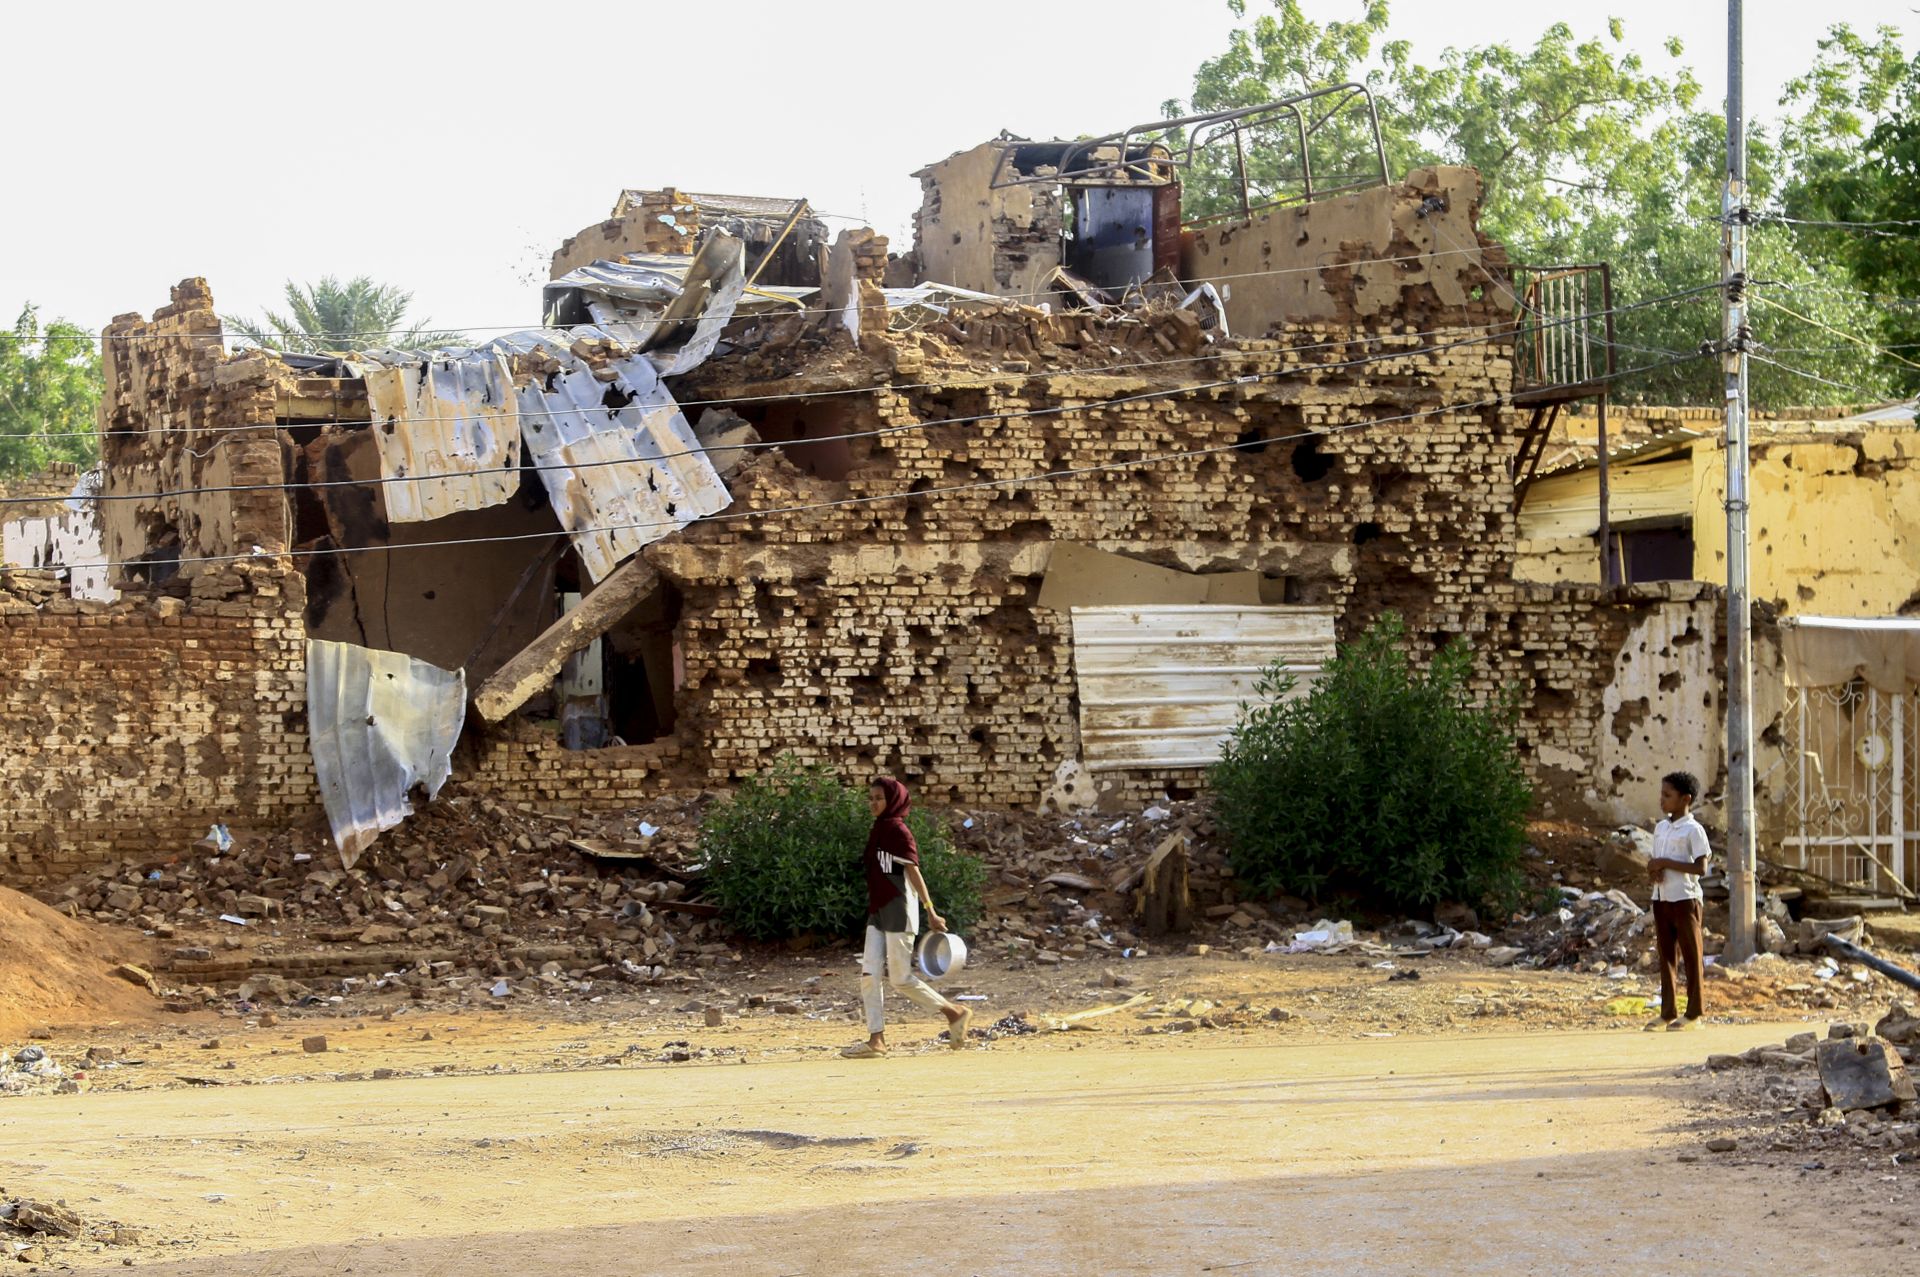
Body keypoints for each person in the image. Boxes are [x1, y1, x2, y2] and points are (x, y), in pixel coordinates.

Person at [841, 777, 971, 1059]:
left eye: (879, 798)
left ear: (892, 800)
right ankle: (876, 1040)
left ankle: (955, 1012)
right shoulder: (878, 830)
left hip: (899, 910)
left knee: (900, 979)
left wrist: (931, 910)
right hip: (878, 912)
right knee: (869, 975)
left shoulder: (899, 832)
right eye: (871, 798)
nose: (873, 803)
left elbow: (913, 873)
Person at [1645, 770, 1712, 1031]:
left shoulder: (1693, 830)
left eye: (1667, 795)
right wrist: (1655, 869)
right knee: (1666, 956)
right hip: (1661, 898)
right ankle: (1668, 1011)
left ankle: (1694, 1013)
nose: (1662, 800)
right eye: (1661, 794)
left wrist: (1665, 863)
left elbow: (1700, 868)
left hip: (1685, 899)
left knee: (1691, 957)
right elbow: (1656, 860)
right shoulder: (1661, 828)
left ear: (1685, 799)